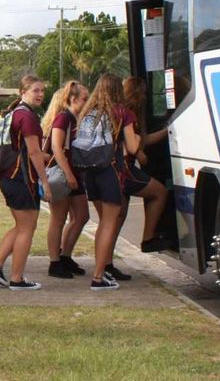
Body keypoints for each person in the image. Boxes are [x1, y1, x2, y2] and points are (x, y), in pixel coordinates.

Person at [0, 75, 51, 291]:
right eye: (35, 90)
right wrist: (45, 182)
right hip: (22, 179)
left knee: (21, 226)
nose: (40, 94)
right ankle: (17, 279)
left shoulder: (15, 112)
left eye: (42, 90)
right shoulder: (27, 117)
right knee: (27, 229)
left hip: (9, 177)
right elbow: (34, 152)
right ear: (23, 92)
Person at [77, 73, 142, 290]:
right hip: (110, 171)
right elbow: (132, 148)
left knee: (102, 223)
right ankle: (98, 276)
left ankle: (101, 270)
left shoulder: (89, 112)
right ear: (117, 90)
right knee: (109, 223)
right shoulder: (123, 113)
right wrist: (138, 138)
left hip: (90, 172)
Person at [40, 80, 90, 279]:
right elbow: (56, 148)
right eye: (85, 99)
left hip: (75, 173)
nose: (87, 102)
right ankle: (54, 261)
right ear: (73, 99)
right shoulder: (63, 118)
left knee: (82, 216)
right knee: (58, 219)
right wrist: (68, 173)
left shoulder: (76, 118)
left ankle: (65, 255)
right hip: (63, 174)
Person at [121, 76, 170, 254]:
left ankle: (107, 263)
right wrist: (138, 154)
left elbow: (143, 140)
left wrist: (166, 132)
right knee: (159, 192)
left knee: (117, 219)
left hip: (118, 169)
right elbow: (129, 143)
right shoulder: (128, 114)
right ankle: (148, 238)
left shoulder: (120, 111)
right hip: (125, 169)